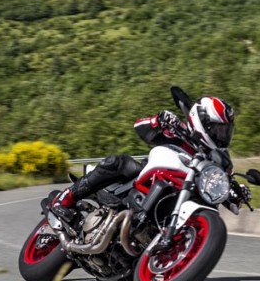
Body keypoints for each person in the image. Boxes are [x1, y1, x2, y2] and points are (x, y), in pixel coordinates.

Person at [47, 94, 246, 225]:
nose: (222, 134)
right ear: (201, 121)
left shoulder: (219, 159)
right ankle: (63, 201)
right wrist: (158, 121)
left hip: (184, 193)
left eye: (225, 130)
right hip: (147, 179)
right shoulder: (180, 132)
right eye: (218, 128)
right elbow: (139, 128)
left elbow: (224, 181)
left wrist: (237, 191)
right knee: (119, 162)